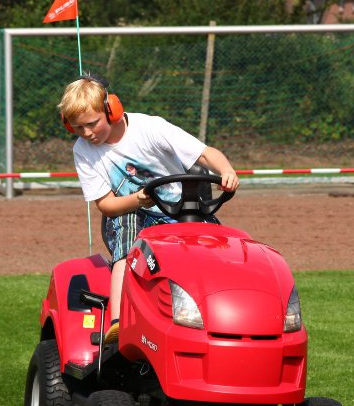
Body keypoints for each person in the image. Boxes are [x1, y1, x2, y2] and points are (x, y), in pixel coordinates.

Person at [58, 75, 239, 326]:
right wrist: (138, 200)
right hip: (130, 210)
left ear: (112, 110)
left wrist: (227, 171)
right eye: (78, 128)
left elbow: (206, 154)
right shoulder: (83, 150)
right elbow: (107, 205)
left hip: (181, 208)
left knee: (221, 247)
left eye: (92, 123)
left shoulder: (150, 128)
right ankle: (118, 323)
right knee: (127, 246)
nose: (87, 133)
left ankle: (226, 316)